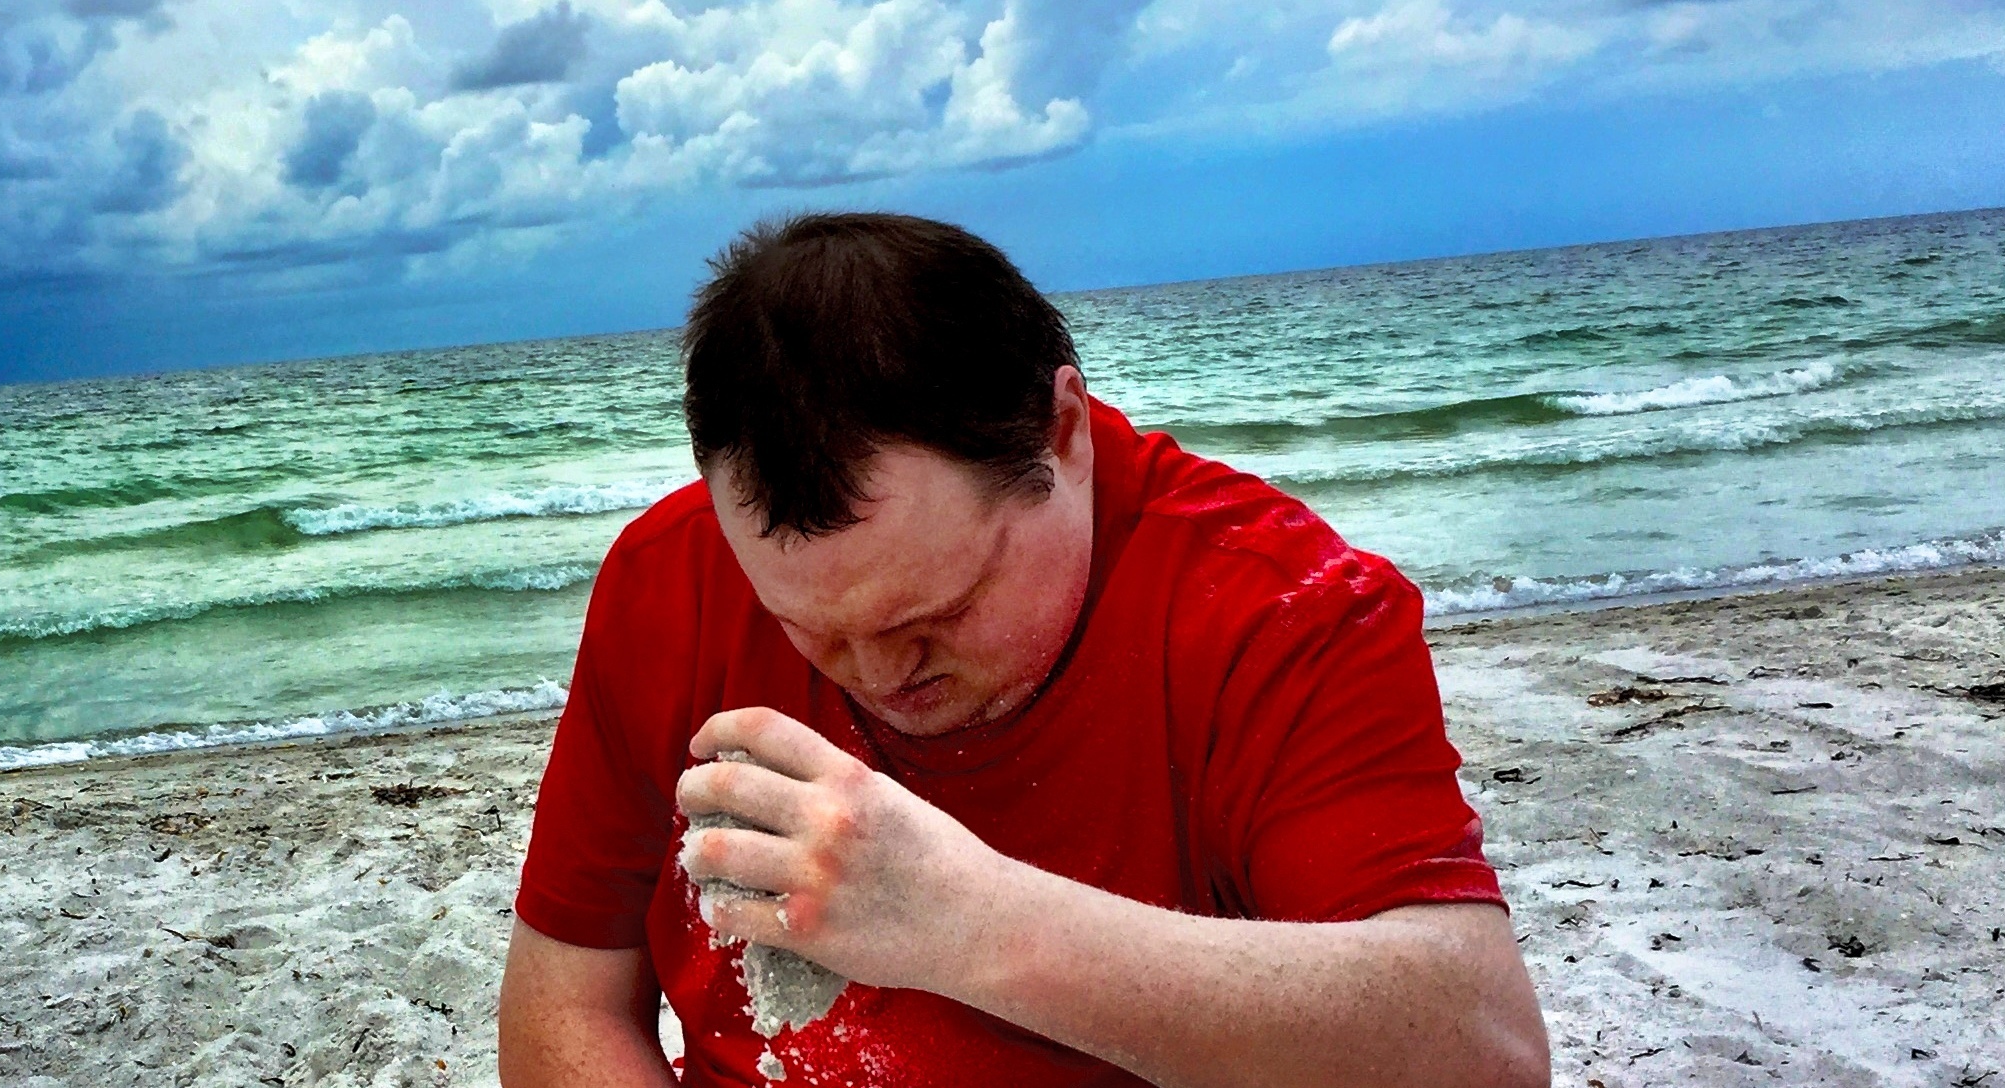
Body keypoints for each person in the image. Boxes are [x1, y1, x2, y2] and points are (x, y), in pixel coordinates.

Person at [496, 213, 1549, 1087]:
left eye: (935, 613)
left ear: (1067, 433)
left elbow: (1483, 1043)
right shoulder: (668, 580)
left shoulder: (1273, 608)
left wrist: (971, 918)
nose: (877, 675)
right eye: (808, 630)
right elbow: (566, 1006)